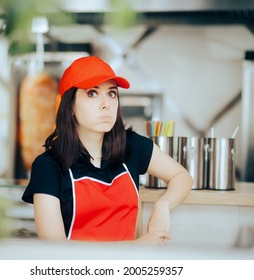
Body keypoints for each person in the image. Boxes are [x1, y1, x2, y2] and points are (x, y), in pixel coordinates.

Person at [22, 56, 193, 244]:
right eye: (92, 94)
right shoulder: (48, 166)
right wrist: (137, 247)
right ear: (70, 106)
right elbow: (56, 251)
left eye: (111, 93)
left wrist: (163, 206)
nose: (106, 104)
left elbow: (181, 176)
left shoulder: (132, 146)